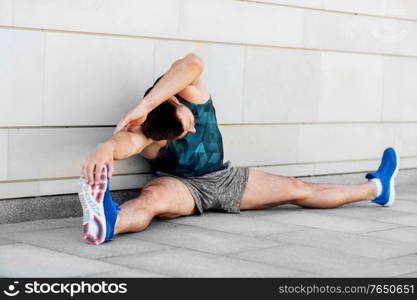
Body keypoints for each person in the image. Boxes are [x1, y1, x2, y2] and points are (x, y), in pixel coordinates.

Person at [79, 53, 399, 245]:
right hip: (181, 186)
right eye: (185, 131)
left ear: (176, 98)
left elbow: (192, 62)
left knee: (298, 189)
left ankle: (377, 188)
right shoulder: (152, 131)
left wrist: (145, 104)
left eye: (189, 122)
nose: (191, 128)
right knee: (150, 200)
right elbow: (130, 141)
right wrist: (105, 148)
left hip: (225, 178)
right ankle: (109, 223)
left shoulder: (188, 94)